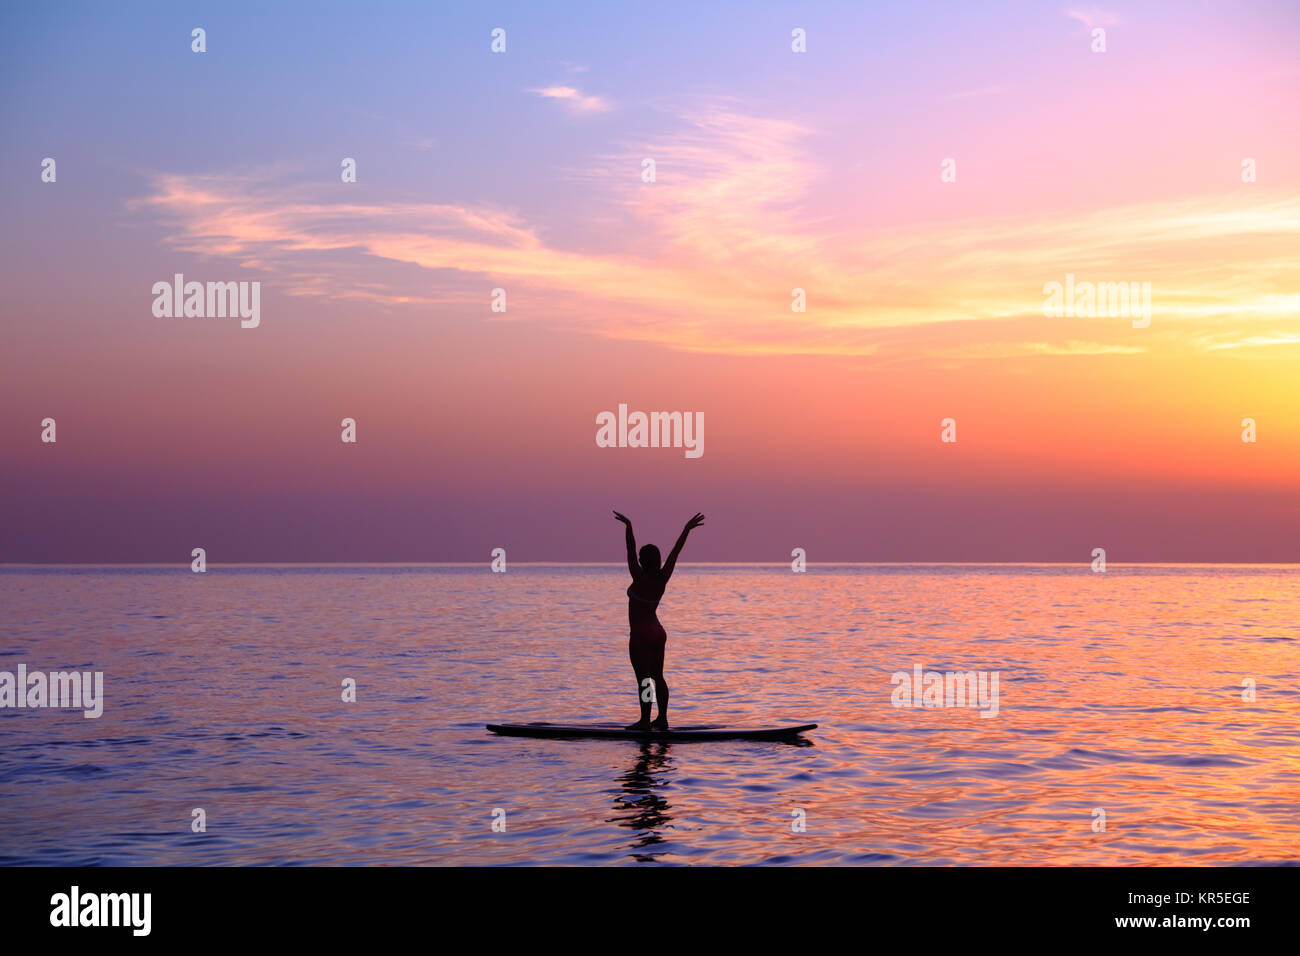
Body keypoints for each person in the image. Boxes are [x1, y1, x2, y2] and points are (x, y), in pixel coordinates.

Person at [612, 511, 705, 730]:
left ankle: (645, 720)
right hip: (657, 631)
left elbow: (630, 551)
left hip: (641, 633)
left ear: (644, 562)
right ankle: (662, 718)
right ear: (658, 560)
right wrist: (686, 529)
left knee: (644, 679)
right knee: (658, 677)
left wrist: (629, 526)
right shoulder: (663, 577)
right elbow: (676, 552)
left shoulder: (639, 576)